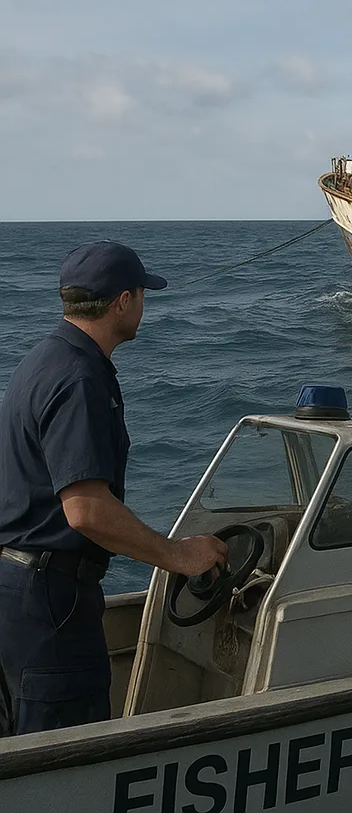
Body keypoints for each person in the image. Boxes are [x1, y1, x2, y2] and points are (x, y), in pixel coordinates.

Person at [0, 241, 229, 737]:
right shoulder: (81, 379)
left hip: (16, 587)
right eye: (142, 295)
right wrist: (179, 556)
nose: (144, 306)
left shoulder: (42, 359)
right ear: (122, 301)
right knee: (61, 751)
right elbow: (85, 510)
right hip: (51, 598)